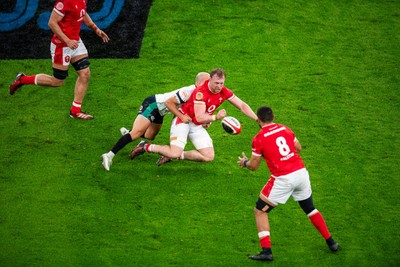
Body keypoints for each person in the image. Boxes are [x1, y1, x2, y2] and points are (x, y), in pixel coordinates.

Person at [237, 106, 339, 261]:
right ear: (273, 116)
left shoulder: (258, 138)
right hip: (301, 173)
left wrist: (245, 163)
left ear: (258, 119)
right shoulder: (285, 128)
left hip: (283, 179)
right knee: (310, 209)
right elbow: (298, 148)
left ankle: (266, 251)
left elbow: (254, 166)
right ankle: (331, 242)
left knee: (260, 211)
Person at [130, 68, 258, 165]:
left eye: (222, 83)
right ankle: (145, 146)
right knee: (174, 151)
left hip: (196, 125)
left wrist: (257, 119)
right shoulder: (200, 93)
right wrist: (215, 117)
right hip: (183, 121)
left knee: (208, 156)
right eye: (216, 83)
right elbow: (200, 117)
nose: (219, 86)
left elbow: (241, 105)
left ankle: (174, 156)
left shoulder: (224, 91)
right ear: (209, 80)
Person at [9, 0, 110, 120]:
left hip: (75, 43)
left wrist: (96, 29)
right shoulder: (64, 2)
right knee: (57, 81)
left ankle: (75, 111)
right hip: (61, 46)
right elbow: (52, 23)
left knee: (85, 74)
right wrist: (67, 40)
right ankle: (22, 79)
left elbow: (82, 12)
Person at [101, 72, 211, 171]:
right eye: (207, 82)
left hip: (160, 112)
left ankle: (130, 134)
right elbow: (168, 103)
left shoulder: (200, 95)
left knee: (150, 136)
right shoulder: (190, 91)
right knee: (137, 133)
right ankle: (109, 155)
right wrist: (181, 116)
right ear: (200, 82)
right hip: (153, 104)